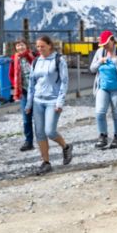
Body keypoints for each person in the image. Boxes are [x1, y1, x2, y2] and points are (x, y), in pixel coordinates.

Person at [25, 35, 72, 175]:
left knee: (50, 131)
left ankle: (66, 147)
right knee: (39, 133)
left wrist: (60, 101)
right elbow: (31, 83)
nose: (39, 49)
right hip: (38, 101)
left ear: (50, 45)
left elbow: (64, 82)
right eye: (38, 47)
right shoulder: (36, 61)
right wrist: (29, 103)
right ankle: (46, 162)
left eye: (42, 46)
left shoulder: (59, 60)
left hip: (53, 101)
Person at [89, 30, 117, 149]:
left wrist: (116, 62)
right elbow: (92, 68)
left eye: (106, 43)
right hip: (103, 87)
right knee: (100, 112)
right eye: (103, 44)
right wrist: (99, 62)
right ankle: (103, 135)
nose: (105, 46)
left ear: (112, 40)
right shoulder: (100, 52)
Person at [9, 38, 36, 152]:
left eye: (22, 45)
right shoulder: (14, 59)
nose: (20, 47)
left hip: (37, 91)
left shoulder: (34, 56)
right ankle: (28, 141)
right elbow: (11, 75)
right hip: (24, 91)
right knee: (26, 118)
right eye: (18, 45)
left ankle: (42, 139)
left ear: (27, 45)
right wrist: (16, 86)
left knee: (39, 118)